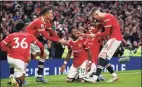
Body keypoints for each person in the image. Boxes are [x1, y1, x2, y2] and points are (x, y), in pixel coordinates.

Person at [25, 7, 68, 82]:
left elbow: (52, 33)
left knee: (43, 55)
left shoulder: (47, 22)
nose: (53, 15)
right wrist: (59, 40)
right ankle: (18, 78)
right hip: (26, 39)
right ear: (45, 14)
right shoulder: (39, 21)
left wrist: (60, 39)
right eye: (51, 13)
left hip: (32, 39)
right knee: (27, 59)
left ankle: (39, 76)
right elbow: (46, 36)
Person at [84, 7, 123, 83]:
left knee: (102, 56)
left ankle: (95, 77)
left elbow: (106, 33)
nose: (94, 18)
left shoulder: (108, 18)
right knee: (103, 58)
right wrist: (86, 34)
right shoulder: (103, 19)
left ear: (96, 14)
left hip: (115, 38)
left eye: (94, 16)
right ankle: (114, 76)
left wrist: (94, 35)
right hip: (113, 38)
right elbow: (97, 29)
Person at [0, 22, 45, 87]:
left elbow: (1, 45)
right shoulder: (29, 35)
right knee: (19, 82)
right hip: (20, 60)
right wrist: (42, 52)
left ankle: (13, 77)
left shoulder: (11, 35)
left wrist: (8, 48)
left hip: (10, 58)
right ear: (23, 28)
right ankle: (14, 80)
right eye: (25, 27)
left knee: (20, 71)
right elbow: (40, 45)